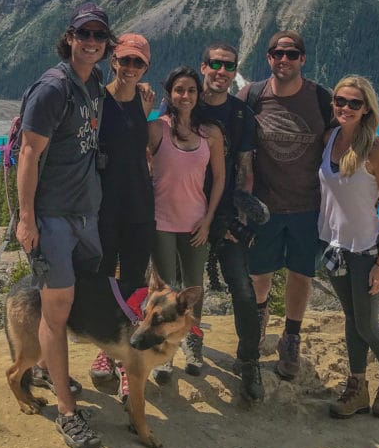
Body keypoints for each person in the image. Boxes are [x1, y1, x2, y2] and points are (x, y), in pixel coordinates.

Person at [15, 2, 112, 448]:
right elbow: (29, 154)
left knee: (67, 304)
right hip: (52, 217)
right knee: (57, 310)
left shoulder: (92, 84)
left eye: (99, 36)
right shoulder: (53, 89)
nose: (92, 42)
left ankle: (45, 372)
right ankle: (68, 411)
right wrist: (28, 219)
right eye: (84, 34)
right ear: (69, 37)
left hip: (82, 214)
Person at [237, 30, 332, 380]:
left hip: (309, 206)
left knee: (301, 274)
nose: (284, 60)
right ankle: (259, 326)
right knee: (259, 273)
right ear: (269, 58)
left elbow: (346, 143)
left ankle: (291, 336)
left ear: (303, 59)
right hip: (264, 206)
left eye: (292, 55)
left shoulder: (322, 99)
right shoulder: (253, 95)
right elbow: (230, 135)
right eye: (278, 54)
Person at [319, 75, 379, 419]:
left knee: (368, 325)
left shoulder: (377, 149)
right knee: (352, 319)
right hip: (334, 246)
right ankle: (357, 388)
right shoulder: (331, 138)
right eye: (340, 101)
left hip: (366, 249)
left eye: (354, 103)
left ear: (367, 108)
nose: (346, 108)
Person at [147, 66, 225, 384]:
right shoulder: (156, 129)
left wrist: (208, 220)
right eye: (179, 90)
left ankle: (193, 344)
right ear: (170, 93)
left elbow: (219, 178)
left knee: (193, 290)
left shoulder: (211, 134)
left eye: (191, 90)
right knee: (164, 291)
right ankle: (163, 350)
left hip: (195, 222)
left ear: (198, 94)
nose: (186, 96)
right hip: (161, 221)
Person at [88, 33, 156, 393]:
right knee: (103, 281)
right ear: (113, 61)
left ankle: (129, 358)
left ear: (146, 66)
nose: (130, 68)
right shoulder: (97, 100)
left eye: (138, 62)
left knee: (135, 284)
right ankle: (105, 350)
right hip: (104, 208)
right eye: (124, 61)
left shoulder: (144, 102)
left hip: (140, 207)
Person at [197, 41, 265, 402]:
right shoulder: (184, 104)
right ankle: (190, 343)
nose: (221, 72)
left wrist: (238, 217)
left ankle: (249, 360)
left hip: (226, 216)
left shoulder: (241, 116)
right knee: (186, 285)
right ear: (203, 66)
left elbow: (246, 170)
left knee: (242, 287)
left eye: (228, 66)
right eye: (215, 64)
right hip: (188, 214)